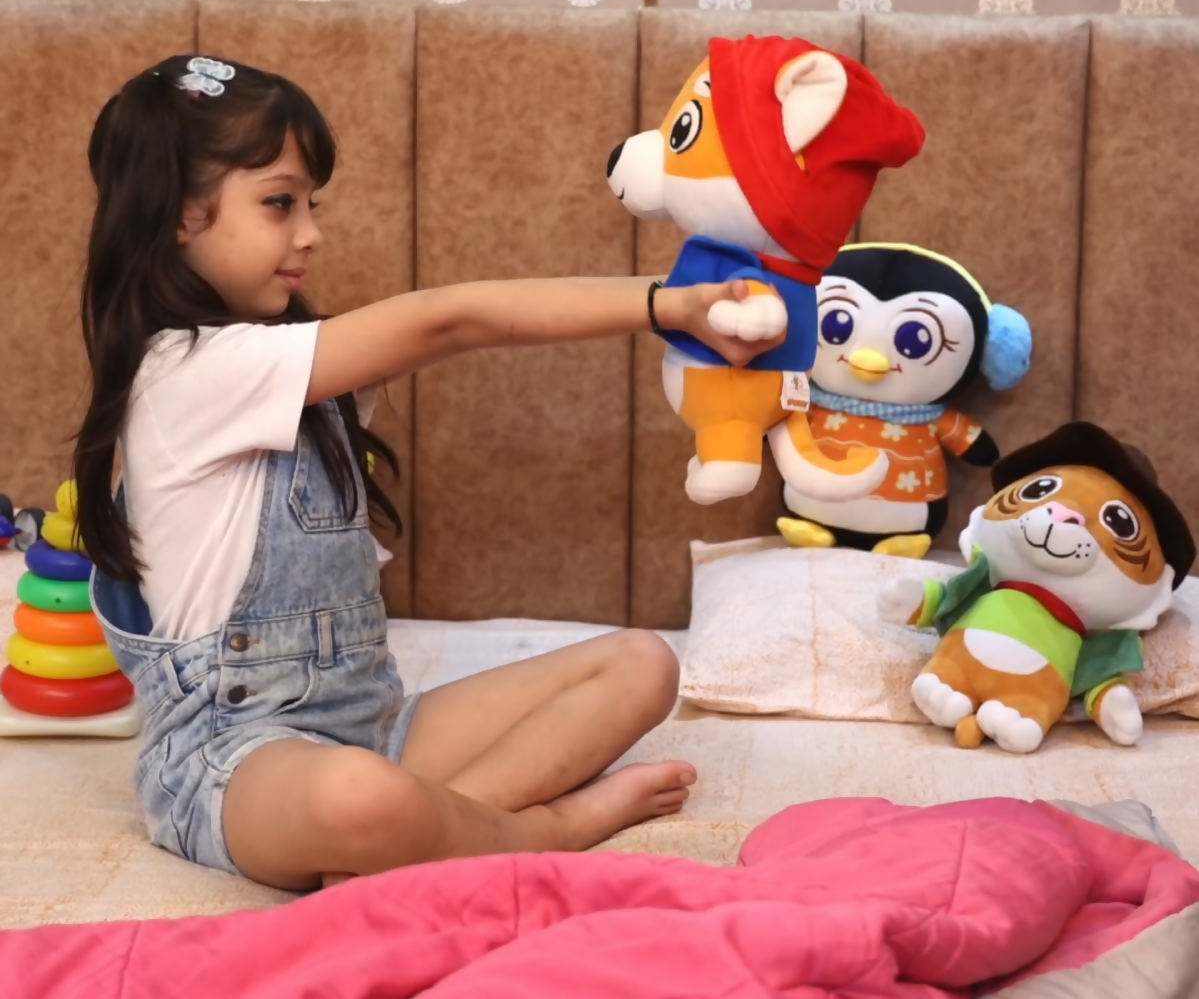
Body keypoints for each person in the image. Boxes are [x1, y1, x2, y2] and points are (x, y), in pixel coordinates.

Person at [74, 55, 782, 892]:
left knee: (642, 663)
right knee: (355, 794)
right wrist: (671, 304)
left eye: (310, 204)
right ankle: (542, 829)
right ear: (181, 215)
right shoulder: (183, 372)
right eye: (279, 202)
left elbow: (467, 322)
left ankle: (414, 838)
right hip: (233, 763)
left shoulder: (296, 367)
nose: (310, 233)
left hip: (373, 728)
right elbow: (453, 320)